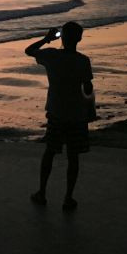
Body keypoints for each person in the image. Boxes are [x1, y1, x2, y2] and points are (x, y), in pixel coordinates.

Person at [25, 21, 93, 211]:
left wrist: (47, 39)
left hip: (57, 112)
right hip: (77, 114)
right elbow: (88, 87)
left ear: (62, 37)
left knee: (50, 152)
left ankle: (42, 192)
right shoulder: (83, 60)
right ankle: (68, 198)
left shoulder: (52, 56)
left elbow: (29, 51)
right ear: (79, 38)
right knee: (73, 156)